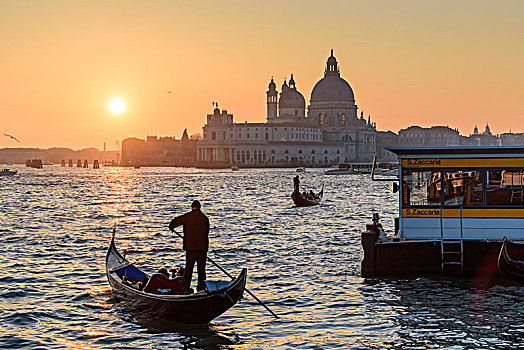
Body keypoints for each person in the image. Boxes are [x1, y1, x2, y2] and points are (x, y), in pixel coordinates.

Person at [168, 200, 209, 294]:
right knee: (201, 270)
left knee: (189, 269)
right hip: (202, 249)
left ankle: (185, 289)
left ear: (192, 207)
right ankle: (201, 289)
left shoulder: (187, 217)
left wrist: (171, 227)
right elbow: (206, 232)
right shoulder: (205, 218)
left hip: (190, 248)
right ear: (200, 207)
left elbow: (174, 222)